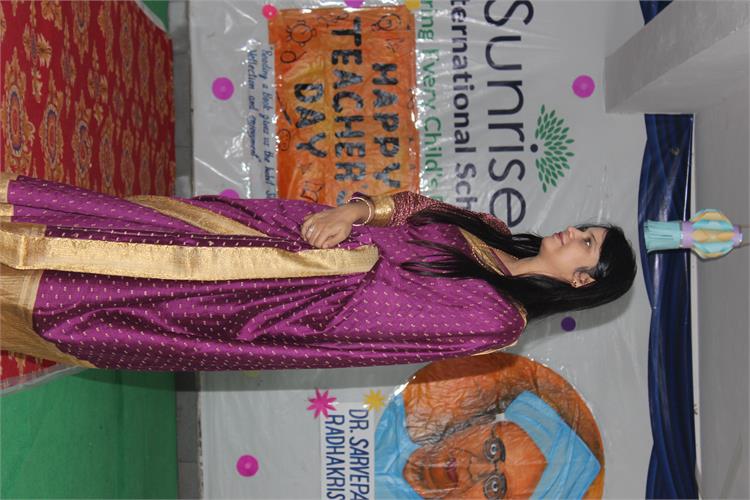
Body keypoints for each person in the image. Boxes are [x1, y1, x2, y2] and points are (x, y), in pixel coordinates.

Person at [0, 172, 636, 371]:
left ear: (583, 281)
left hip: (286, 290)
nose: (573, 233)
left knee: (141, 285)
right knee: (149, 226)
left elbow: (386, 319)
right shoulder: (492, 231)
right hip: (297, 231)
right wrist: (353, 210)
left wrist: (331, 257)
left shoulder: (499, 320)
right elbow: (416, 207)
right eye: (584, 228)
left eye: (586, 244)